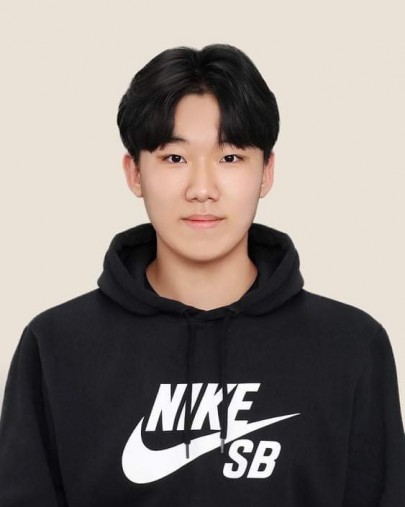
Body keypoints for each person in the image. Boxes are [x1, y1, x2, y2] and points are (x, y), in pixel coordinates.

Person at [0, 43, 404, 507]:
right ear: (134, 173)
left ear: (266, 172)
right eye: (174, 158)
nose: (202, 189)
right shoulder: (56, 347)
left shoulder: (351, 347)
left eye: (230, 158)